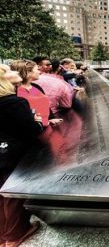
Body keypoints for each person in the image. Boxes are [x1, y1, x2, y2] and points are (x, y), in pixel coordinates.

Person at [0, 65, 43, 246]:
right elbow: (30, 130)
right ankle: (16, 235)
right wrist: (37, 123)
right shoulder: (15, 103)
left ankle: (3, 236)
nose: (15, 72)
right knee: (13, 195)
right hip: (13, 155)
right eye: (10, 71)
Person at [9, 60, 62, 127]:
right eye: (37, 69)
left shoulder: (36, 87)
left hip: (45, 126)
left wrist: (51, 119)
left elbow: (45, 105)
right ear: (28, 72)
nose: (39, 72)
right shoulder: (13, 90)